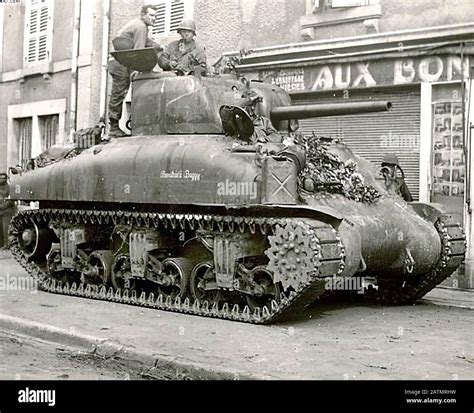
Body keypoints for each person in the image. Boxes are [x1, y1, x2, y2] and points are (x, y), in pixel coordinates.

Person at [108, 5, 162, 138]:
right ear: (143, 15)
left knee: (118, 94)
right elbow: (139, 53)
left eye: (156, 16)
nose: (154, 19)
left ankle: (113, 126)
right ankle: (113, 128)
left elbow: (145, 42)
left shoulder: (138, 24)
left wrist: (157, 45)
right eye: (151, 15)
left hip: (119, 62)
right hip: (121, 64)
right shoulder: (141, 27)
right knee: (118, 94)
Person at [0, 173, 15, 248]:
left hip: (7, 211)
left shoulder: (9, 188)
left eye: (3, 178)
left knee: (6, 229)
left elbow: (12, 200)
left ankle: (7, 245)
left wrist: (3, 206)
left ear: (6, 179)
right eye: (0, 178)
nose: (2, 180)